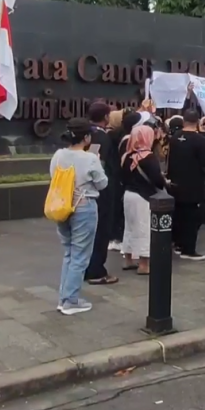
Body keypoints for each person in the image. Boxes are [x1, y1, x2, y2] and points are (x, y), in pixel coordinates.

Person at [51, 118, 109, 315]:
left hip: (62, 206)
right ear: (86, 137)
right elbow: (102, 184)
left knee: (69, 253)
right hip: (84, 207)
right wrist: (97, 161)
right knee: (80, 256)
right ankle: (70, 300)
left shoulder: (58, 155)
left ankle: (64, 297)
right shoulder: (90, 158)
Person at [121, 125, 166, 275]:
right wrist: (165, 181)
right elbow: (157, 180)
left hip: (128, 194)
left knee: (129, 227)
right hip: (143, 196)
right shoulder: (148, 156)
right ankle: (143, 264)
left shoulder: (126, 156)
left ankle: (128, 259)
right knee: (144, 228)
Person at [84, 102, 120, 285]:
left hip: (88, 190)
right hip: (101, 191)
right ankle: (96, 270)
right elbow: (96, 163)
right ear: (106, 117)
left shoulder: (87, 134)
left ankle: (88, 267)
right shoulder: (100, 137)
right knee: (100, 231)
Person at [167, 107, 205, 261]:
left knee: (178, 214)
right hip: (194, 185)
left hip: (175, 183)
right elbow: (204, 164)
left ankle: (178, 244)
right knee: (192, 217)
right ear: (198, 121)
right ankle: (188, 249)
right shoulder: (201, 141)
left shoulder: (175, 137)